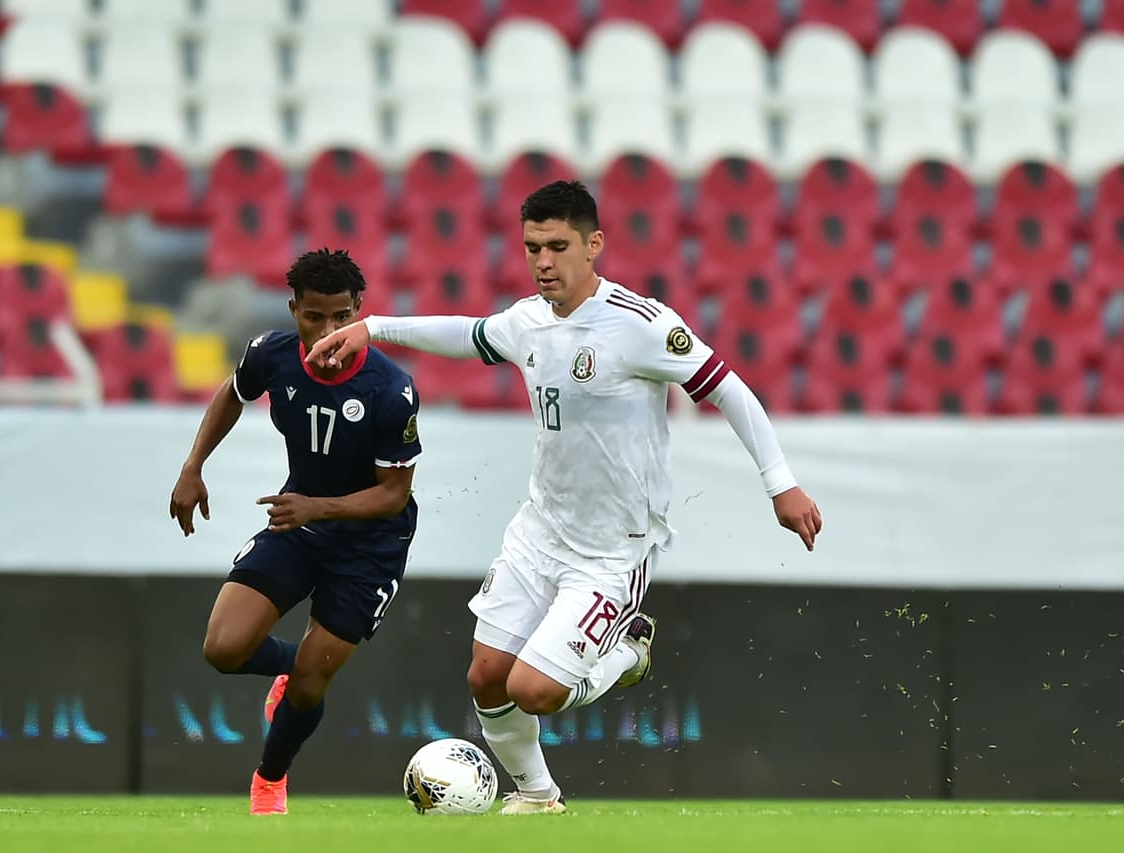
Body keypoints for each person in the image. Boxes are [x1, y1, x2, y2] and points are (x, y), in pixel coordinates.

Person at [306, 180, 823, 813]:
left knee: (535, 689)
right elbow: (470, 335)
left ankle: (627, 651)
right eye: (531, 248)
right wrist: (373, 328)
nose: (544, 261)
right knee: (487, 678)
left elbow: (729, 390)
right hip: (540, 530)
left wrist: (782, 484)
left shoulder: (641, 326)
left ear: (594, 245)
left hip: (614, 550)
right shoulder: (527, 320)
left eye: (557, 246)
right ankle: (538, 796)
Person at [168, 248, 423, 815]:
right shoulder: (271, 355)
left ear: (360, 312)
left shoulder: (391, 390)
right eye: (314, 317)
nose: (329, 332)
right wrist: (193, 466)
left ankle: (268, 780)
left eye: (341, 318)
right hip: (300, 521)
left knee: (311, 688)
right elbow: (232, 395)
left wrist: (317, 508)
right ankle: (294, 662)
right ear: (294, 311)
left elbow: (393, 494)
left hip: (370, 544)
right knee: (223, 649)